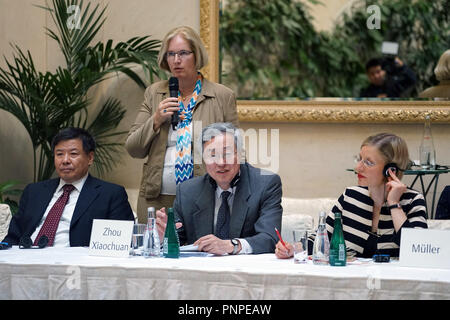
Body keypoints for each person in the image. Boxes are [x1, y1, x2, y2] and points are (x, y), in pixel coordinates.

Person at [125, 26, 239, 224]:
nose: (176, 60)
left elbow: (235, 151)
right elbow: (133, 148)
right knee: (154, 253)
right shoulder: (154, 93)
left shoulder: (222, 96)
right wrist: (156, 120)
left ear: (197, 56)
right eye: (171, 54)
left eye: (183, 53)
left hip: (205, 197)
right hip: (156, 198)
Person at [275, 133, 427, 259]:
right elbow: (319, 240)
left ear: (391, 170)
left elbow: (419, 251)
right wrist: (291, 248)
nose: (358, 168)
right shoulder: (350, 196)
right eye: (359, 159)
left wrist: (394, 203)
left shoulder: (413, 201)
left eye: (368, 162)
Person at [156, 122, 282, 255]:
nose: (221, 163)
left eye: (227, 154)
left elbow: (270, 238)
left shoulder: (266, 184)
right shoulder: (187, 191)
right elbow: (177, 242)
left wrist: (232, 245)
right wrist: (165, 236)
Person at [3, 127, 134, 247]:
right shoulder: (34, 191)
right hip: (26, 260)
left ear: (90, 158)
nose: (65, 160)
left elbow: (120, 244)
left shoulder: (111, 194)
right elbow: (13, 237)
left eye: (73, 154)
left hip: (74, 266)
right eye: (59, 154)